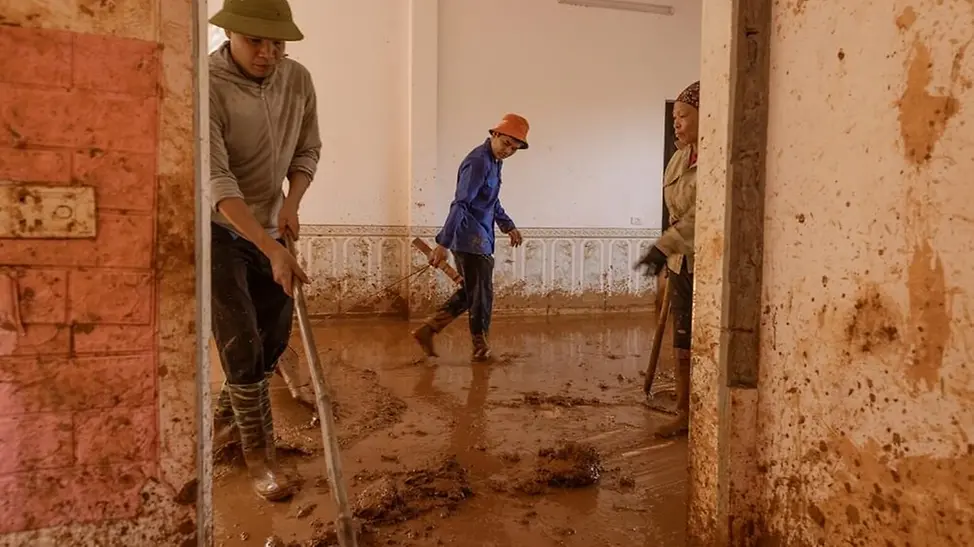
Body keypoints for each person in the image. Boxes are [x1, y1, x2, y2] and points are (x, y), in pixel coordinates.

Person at [208, 0, 321, 502]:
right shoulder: (206, 84)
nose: (268, 52)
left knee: (273, 338)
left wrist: (291, 203)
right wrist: (266, 245)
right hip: (220, 227)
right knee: (241, 344)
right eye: (256, 40)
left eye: (277, 42)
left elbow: (307, 150)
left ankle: (224, 431)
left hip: (274, 226)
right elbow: (216, 177)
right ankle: (260, 461)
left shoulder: (297, 80)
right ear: (230, 32)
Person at [411, 114, 529, 361]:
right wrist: (443, 243)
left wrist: (507, 225)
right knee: (482, 293)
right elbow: (461, 203)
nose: (508, 150)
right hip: (470, 238)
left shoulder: (495, 162)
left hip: (481, 235)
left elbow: (490, 200)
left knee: (471, 291)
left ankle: (428, 330)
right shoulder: (478, 162)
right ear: (495, 134)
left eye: (514, 148)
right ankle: (480, 346)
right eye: (506, 143)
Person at [636, 81, 699, 438]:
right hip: (680, 260)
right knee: (682, 334)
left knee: (702, 335)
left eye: (684, 116)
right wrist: (668, 248)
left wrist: (665, 245)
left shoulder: (717, 160)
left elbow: (703, 214)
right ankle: (684, 410)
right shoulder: (679, 157)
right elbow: (677, 211)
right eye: (674, 116)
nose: (676, 123)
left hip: (706, 260)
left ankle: (701, 406)